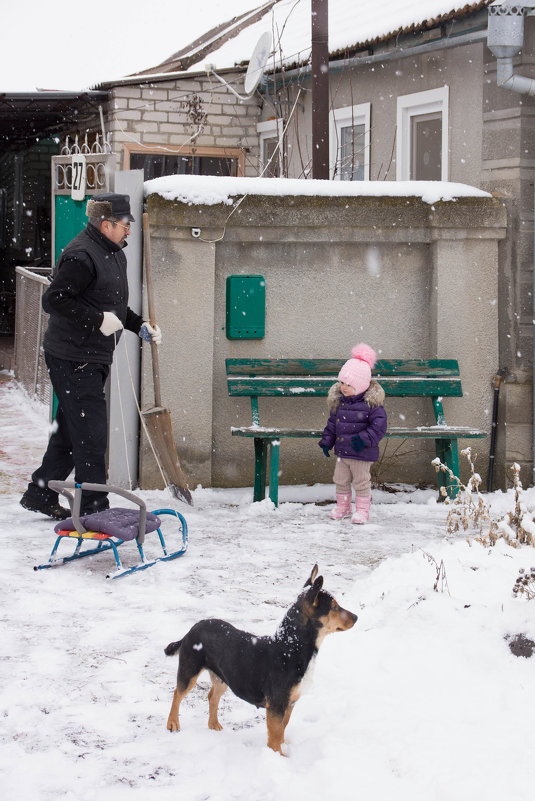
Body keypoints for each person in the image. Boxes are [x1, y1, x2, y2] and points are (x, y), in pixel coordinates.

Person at [20, 192, 162, 520]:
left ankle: (41, 493)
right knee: (92, 435)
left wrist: (138, 325)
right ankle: (93, 511)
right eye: (125, 224)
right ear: (106, 223)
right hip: (73, 357)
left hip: (92, 356)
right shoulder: (81, 255)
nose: (129, 230)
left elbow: (109, 303)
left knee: (73, 430)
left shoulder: (113, 254)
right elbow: (54, 300)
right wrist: (98, 321)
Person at [318, 343, 387, 524]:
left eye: (349, 384)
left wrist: (364, 439)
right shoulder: (340, 402)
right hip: (342, 451)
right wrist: (327, 441)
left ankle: (362, 511)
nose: (344, 387)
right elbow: (333, 424)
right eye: (342, 382)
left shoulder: (371, 404)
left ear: (362, 385)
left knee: (361, 482)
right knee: (340, 480)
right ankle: (343, 506)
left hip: (361, 452)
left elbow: (379, 426)